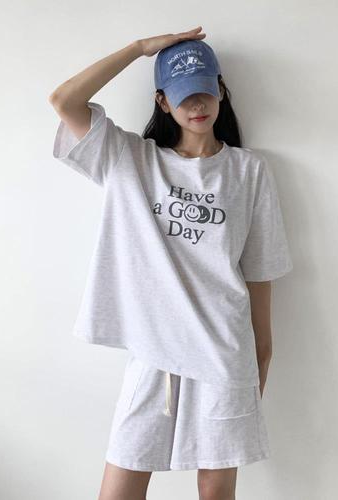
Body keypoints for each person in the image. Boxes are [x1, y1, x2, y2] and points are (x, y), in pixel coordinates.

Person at [49, 26, 293, 500]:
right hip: (154, 353)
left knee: (215, 491)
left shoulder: (248, 171)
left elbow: (259, 271)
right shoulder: (129, 160)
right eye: (183, 96)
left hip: (225, 354)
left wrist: (260, 359)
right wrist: (139, 49)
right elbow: (64, 100)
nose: (197, 105)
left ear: (220, 90)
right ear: (162, 102)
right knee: (119, 490)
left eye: (205, 91)